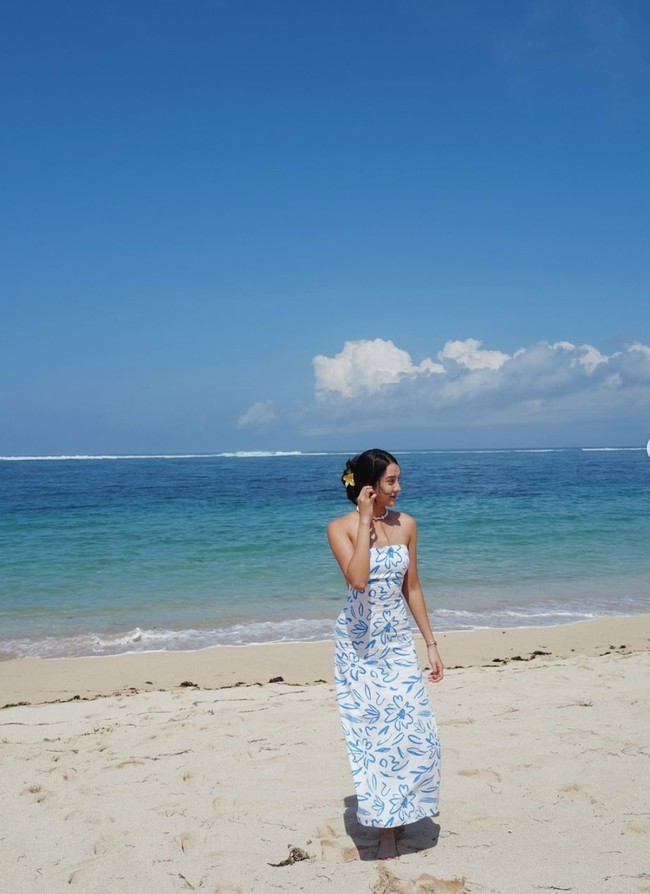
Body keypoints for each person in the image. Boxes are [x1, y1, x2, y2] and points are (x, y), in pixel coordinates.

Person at [327, 448, 443, 860]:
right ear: (369, 487)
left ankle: (404, 813)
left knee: (418, 734)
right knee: (374, 740)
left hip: (396, 643)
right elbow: (358, 580)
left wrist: (430, 643)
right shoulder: (339, 528)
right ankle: (386, 829)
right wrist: (363, 522)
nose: (399, 488)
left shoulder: (407, 524)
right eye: (392, 481)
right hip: (358, 646)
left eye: (399, 479)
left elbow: (412, 587)